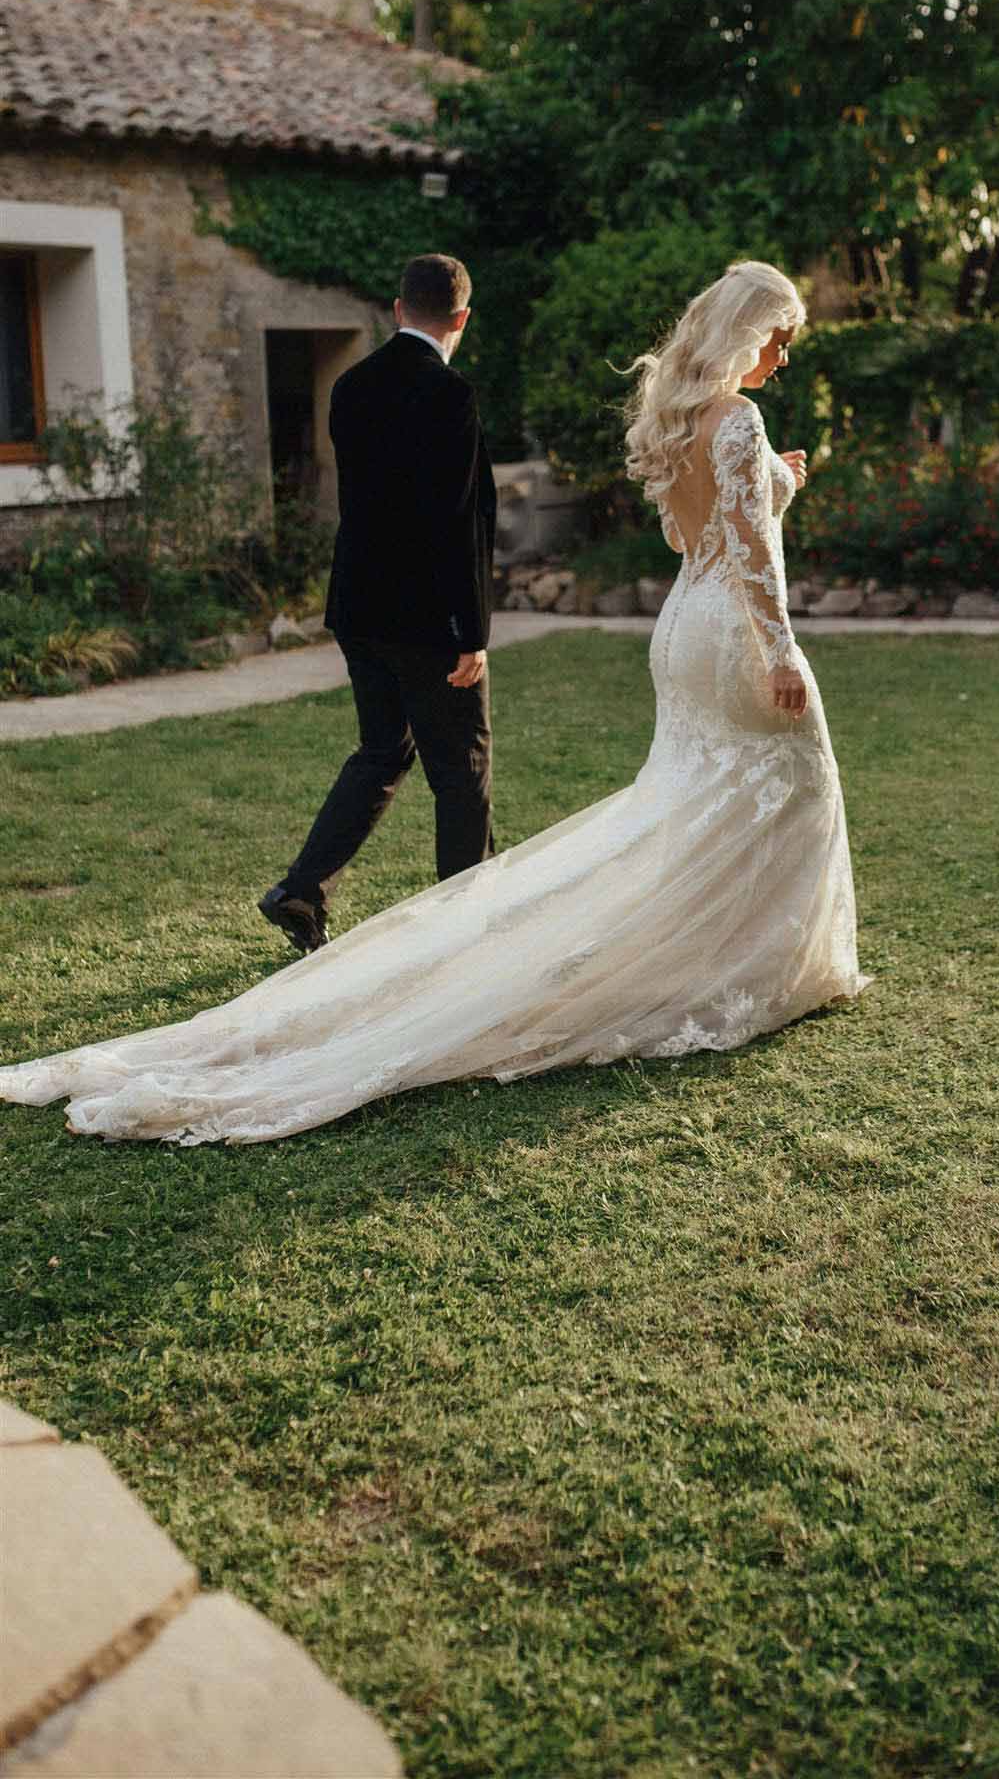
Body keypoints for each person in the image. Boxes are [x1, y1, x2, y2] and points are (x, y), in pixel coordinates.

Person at [0, 261, 868, 1144]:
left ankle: (330, 891)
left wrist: (769, 483)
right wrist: (780, 641)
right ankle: (650, 948)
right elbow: (731, 549)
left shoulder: (656, 414)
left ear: (396, 308)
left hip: (561, 622)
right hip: (670, 628)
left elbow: (693, 533)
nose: (781, 354)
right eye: (777, 336)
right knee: (545, 775)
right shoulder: (714, 417)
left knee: (485, 770)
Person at [258, 251, 497, 956]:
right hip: (427, 618)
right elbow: (459, 519)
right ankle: (467, 930)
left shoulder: (352, 384)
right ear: (461, 318)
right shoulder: (450, 394)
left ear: (398, 310)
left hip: (358, 607)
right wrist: (470, 629)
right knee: (461, 766)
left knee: (382, 749)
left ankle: (301, 888)